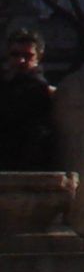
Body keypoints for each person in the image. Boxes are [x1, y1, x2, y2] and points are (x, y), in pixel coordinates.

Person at [0, 27, 57, 172]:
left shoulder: (39, 89)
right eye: (15, 54)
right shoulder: (6, 83)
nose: (21, 60)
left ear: (39, 57)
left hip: (24, 162)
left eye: (28, 56)